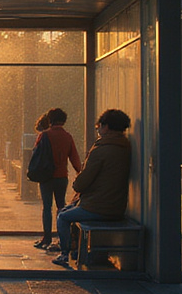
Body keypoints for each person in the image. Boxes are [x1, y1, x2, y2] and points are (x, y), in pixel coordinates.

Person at [52, 108, 132, 268]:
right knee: (71, 208)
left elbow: (81, 183)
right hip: (117, 206)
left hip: (98, 207)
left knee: (62, 216)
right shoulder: (125, 147)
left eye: (99, 127)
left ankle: (64, 254)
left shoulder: (101, 150)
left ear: (106, 127)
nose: (99, 130)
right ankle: (77, 252)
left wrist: (77, 181)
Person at [32, 107, 82, 250]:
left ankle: (46, 238)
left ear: (50, 120)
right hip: (62, 177)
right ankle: (62, 238)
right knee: (61, 207)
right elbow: (75, 159)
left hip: (46, 177)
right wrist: (81, 173)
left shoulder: (44, 135)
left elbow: (36, 153)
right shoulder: (68, 137)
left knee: (46, 207)